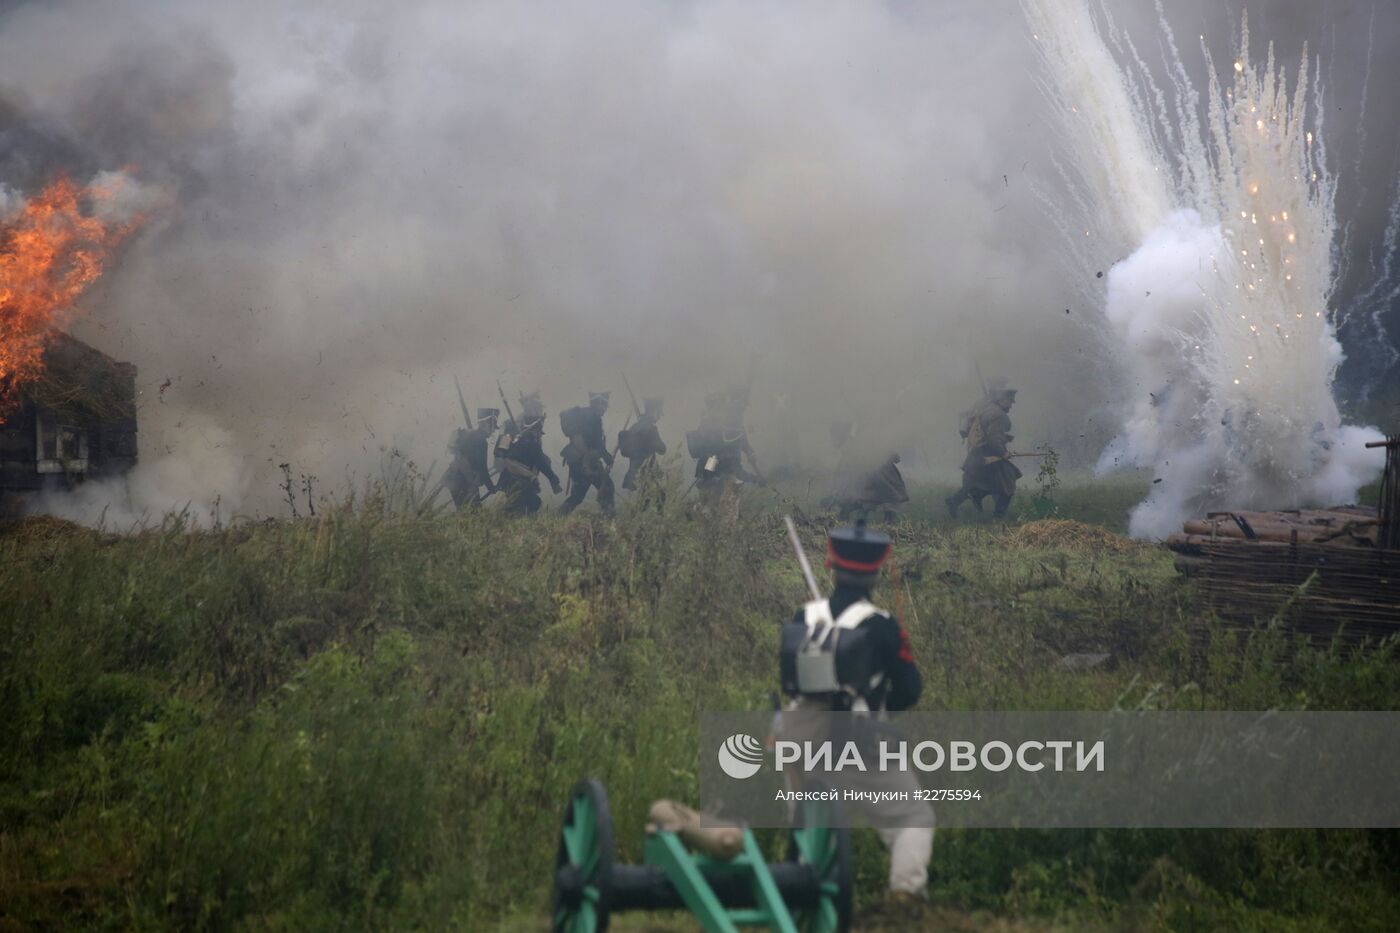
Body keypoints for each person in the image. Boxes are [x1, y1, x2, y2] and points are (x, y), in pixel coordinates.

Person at [777, 522, 934, 908]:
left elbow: (791, 682)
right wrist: (879, 710)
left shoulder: (803, 616)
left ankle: (800, 893)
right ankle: (905, 893)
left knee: (810, 826)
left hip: (799, 742)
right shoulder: (881, 626)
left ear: (831, 564)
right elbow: (910, 689)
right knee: (913, 816)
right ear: (876, 572)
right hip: (860, 744)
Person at [946, 378, 1022, 517]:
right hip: (989, 457)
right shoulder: (999, 416)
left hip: (978, 457)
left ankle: (954, 501)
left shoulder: (988, 409)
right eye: (1009, 402)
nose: (1011, 405)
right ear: (1002, 400)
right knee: (1008, 484)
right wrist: (1003, 453)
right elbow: (994, 439)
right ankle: (999, 517)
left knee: (977, 485)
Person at [559, 391, 616, 516]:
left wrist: (604, 455)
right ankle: (609, 517)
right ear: (599, 403)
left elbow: (593, 442)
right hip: (586, 462)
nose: (605, 410)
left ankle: (558, 516)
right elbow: (595, 443)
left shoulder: (586, 415)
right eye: (604, 406)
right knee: (607, 486)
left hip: (578, 462)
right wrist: (606, 456)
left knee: (577, 496)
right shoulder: (593, 418)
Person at [494, 412, 562, 515]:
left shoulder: (512, 439)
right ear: (535, 431)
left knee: (520, 504)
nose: (539, 435)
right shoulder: (533, 445)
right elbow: (543, 465)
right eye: (538, 432)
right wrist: (554, 480)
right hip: (520, 483)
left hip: (506, 481)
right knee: (533, 503)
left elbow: (498, 453)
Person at [443, 408, 498, 508]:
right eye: (493, 425)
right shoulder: (480, 441)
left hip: (456, 480)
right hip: (464, 482)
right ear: (486, 423)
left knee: (466, 513)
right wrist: (490, 487)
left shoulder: (472, 436)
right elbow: (481, 467)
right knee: (473, 514)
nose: (494, 430)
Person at [619, 396, 667, 490]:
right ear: (654, 411)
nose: (659, 416)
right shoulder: (651, 429)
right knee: (658, 498)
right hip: (643, 473)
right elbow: (662, 449)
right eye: (658, 412)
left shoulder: (635, 426)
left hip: (632, 474)